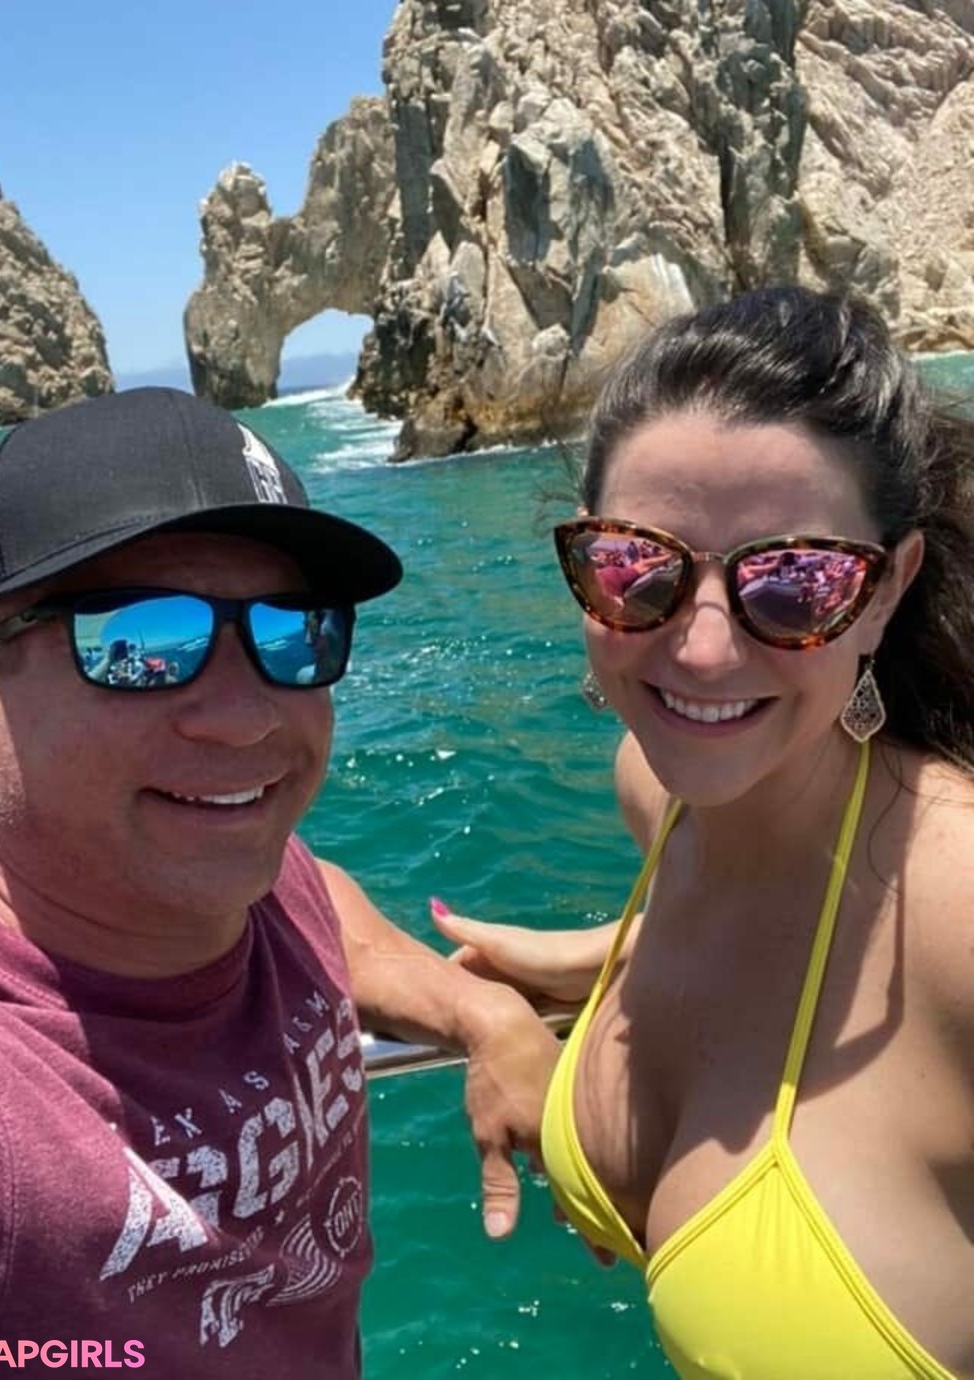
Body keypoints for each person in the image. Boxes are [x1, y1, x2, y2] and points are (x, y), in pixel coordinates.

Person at [0, 387, 559, 1376]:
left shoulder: (243, 875)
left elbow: (323, 903)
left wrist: (484, 1014)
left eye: (296, 634)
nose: (247, 718)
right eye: (141, 644)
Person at [433, 287, 974, 1379]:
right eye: (638, 567)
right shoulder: (660, 788)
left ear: (885, 593)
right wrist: (504, 1006)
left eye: (797, 581)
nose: (706, 650)